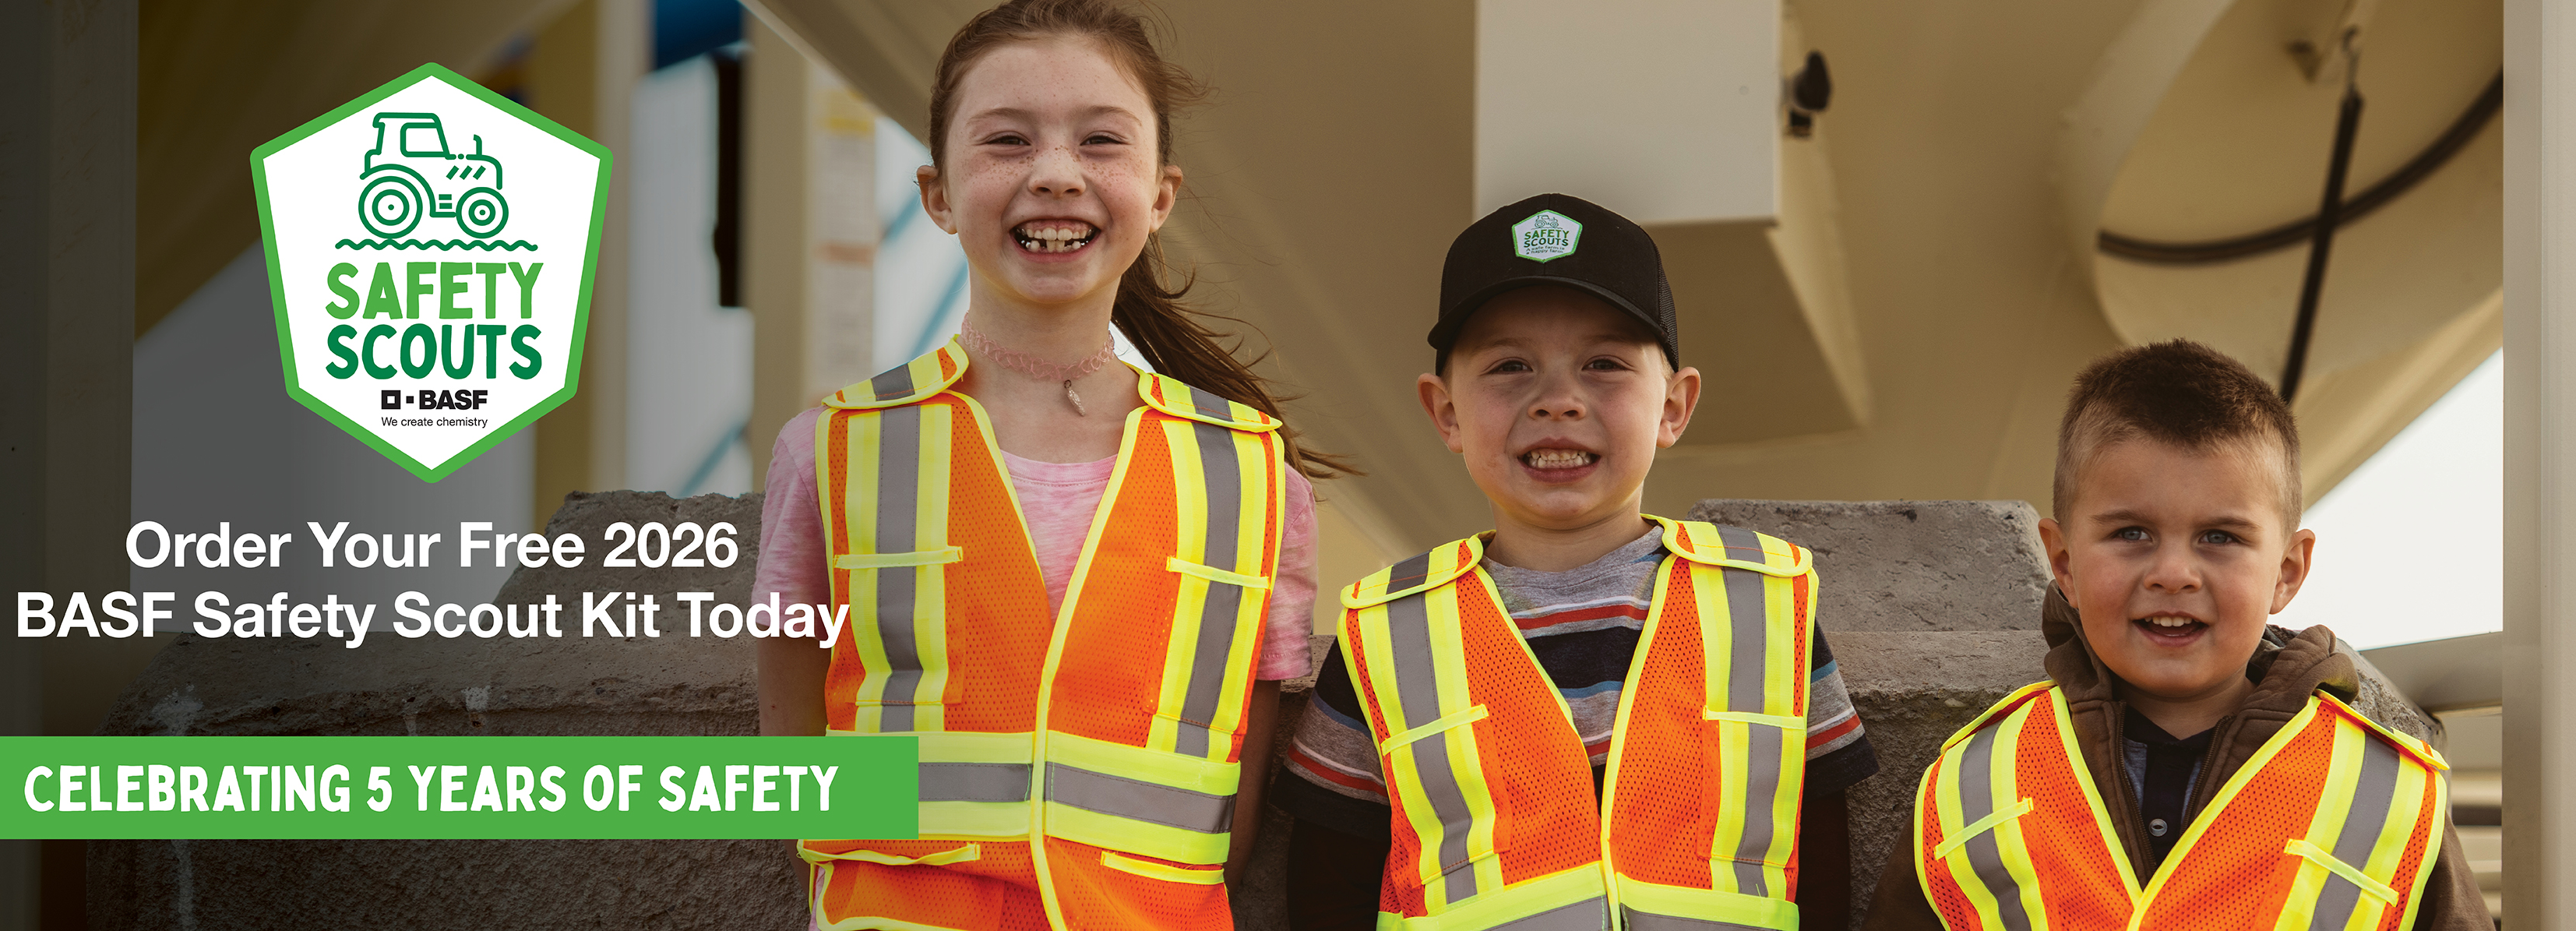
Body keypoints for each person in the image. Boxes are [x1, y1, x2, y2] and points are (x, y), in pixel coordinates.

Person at [746, 2, 1348, 928]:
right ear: (938, 194)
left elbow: (1236, 791)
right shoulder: (832, 448)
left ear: (1161, 194)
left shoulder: (1256, 478)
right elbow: (795, 737)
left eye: (1102, 141)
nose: (1057, 175)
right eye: (1007, 142)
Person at [1274, 193, 1879, 931]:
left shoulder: (1765, 608)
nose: (1557, 399)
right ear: (1446, 413)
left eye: (1603, 364)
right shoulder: (1386, 637)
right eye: (1508, 366)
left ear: (1673, 407)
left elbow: (1819, 873)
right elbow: (1325, 891)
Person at [1862, 340, 2492, 930]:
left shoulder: (2388, 797)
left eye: (2219, 536)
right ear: (2063, 564)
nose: (2171, 575)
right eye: (2130, 532)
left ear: (2286, 571)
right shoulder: (1971, 783)